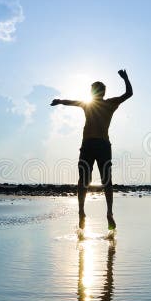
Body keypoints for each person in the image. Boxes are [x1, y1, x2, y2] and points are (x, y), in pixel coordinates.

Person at [51, 69, 133, 230]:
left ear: (93, 93)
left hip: (89, 144)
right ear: (102, 92)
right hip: (101, 145)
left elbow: (71, 102)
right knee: (105, 180)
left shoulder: (88, 104)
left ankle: (82, 212)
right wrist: (125, 78)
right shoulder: (109, 103)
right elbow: (129, 93)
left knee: (84, 180)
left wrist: (60, 101)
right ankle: (108, 213)